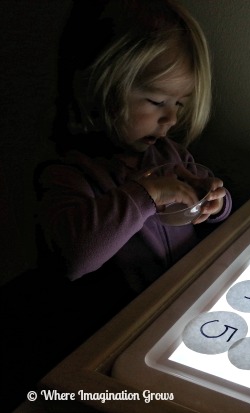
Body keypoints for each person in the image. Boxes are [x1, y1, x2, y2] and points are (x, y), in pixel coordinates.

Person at [1, 0, 231, 409]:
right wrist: (145, 196)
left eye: (179, 104)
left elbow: (209, 198)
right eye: (158, 102)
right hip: (103, 335)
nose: (171, 120)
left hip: (170, 311)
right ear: (99, 86)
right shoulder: (66, 172)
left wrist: (216, 199)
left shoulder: (168, 155)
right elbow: (76, 257)